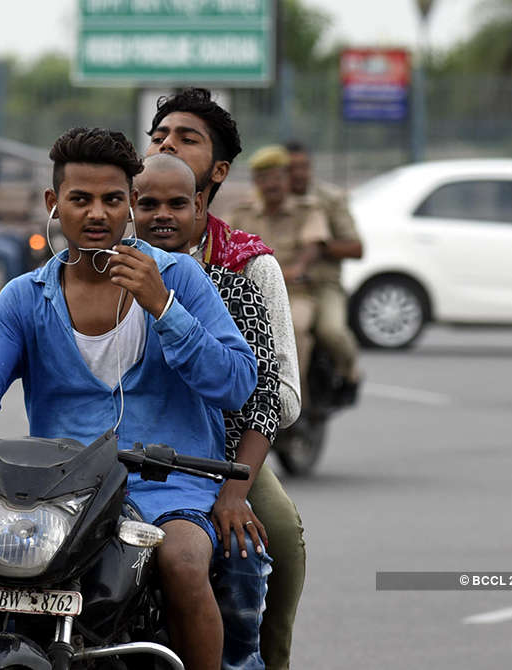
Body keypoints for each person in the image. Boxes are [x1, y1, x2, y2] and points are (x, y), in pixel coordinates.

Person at [0, 127, 258, 670]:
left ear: (129, 205)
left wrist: (164, 307)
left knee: (185, 561)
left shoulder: (180, 278)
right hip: (60, 494)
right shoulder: (22, 299)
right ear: (55, 204)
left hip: (167, 488)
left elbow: (237, 382)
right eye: (80, 199)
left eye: (112, 199)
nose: (96, 213)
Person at [145, 88, 306, 670]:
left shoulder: (245, 264)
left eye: (187, 138)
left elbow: (278, 390)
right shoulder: (111, 252)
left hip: (228, 456)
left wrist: (234, 482)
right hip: (129, 449)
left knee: (274, 538)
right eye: (159, 135)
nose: (167, 143)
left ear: (217, 172)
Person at [134, 153, 277, 670]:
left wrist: (235, 492)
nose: (163, 216)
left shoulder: (235, 284)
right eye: (148, 204)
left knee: (251, 554)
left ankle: (245, 659)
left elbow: (262, 398)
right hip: (131, 465)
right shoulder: (95, 278)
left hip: (228, 464)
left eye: (177, 203)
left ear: (199, 206)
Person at [229, 145, 330, 406]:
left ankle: (294, 402)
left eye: (277, 177)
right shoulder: (243, 213)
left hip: (295, 293)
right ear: (255, 182)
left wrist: (298, 268)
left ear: (287, 178)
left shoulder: (308, 209)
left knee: (295, 329)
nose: (271, 184)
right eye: (264, 178)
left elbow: (313, 245)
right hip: (248, 295)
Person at [285, 140, 363, 403]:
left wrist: (319, 245)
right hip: (286, 286)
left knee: (332, 331)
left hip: (322, 284)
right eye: (291, 168)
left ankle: (349, 372)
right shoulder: (274, 200)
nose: (298, 174)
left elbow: (356, 247)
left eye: (303, 167)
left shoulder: (328, 200)